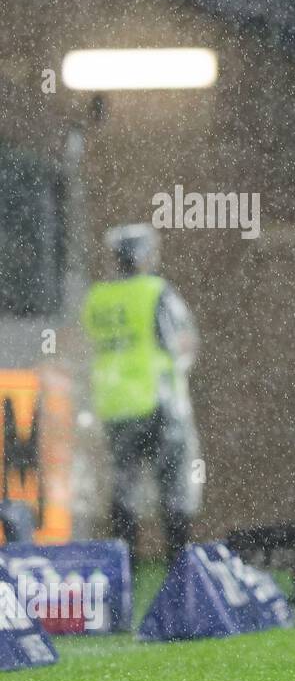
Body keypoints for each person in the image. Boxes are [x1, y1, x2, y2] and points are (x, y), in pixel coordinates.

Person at [81, 223, 200, 568]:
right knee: (174, 489)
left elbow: (86, 347)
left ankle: (124, 573)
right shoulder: (155, 291)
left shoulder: (97, 298)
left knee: (124, 492)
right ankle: (180, 573)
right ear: (143, 254)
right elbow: (183, 341)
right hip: (159, 403)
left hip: (115, 405)